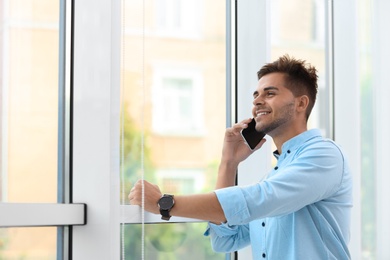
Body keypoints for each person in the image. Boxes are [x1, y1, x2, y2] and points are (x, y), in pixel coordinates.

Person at [129, 55, 353, 259]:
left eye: (270, 93)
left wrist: (164, 204)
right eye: (256, 95)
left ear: (301, 103)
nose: (257, 101)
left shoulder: (325, 156)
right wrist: (229, 163)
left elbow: (258, 200)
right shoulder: (275, 178)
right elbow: (226, 239)